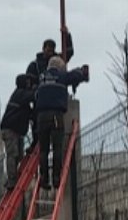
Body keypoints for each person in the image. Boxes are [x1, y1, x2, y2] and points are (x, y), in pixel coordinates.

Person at [35, 56, 89, 191]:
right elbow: (75, 76)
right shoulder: (61, 76)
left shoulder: (41, 77)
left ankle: (43, 178)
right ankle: (56, 178)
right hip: (56, 116)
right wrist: (82, 71)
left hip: (41, 117)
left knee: (44, 150)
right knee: (57, 147)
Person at [0, 73, 37, 190]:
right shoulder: (20, 94)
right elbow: (34, 95)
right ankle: (11, 180)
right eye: (28, 82)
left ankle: (12, 177)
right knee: (13, 154)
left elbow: (30, 114)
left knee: (18, 156)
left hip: (15, 130)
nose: (29, 85)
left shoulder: (21, 98)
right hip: (10, 130)